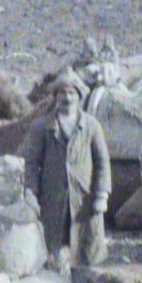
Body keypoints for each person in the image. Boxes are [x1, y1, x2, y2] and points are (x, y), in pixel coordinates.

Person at [18, 69, 112, 270]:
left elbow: (102, 161)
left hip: (84, 200)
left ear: (79, 96)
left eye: (71, 93)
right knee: (51, 252)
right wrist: (30, 192)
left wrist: (102, 193)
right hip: (53, 200)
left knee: (86, 253)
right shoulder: (42, 127)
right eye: (62, 93)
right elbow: (29, 162)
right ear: (55, 97)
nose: (67, 98)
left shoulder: (91, 126)